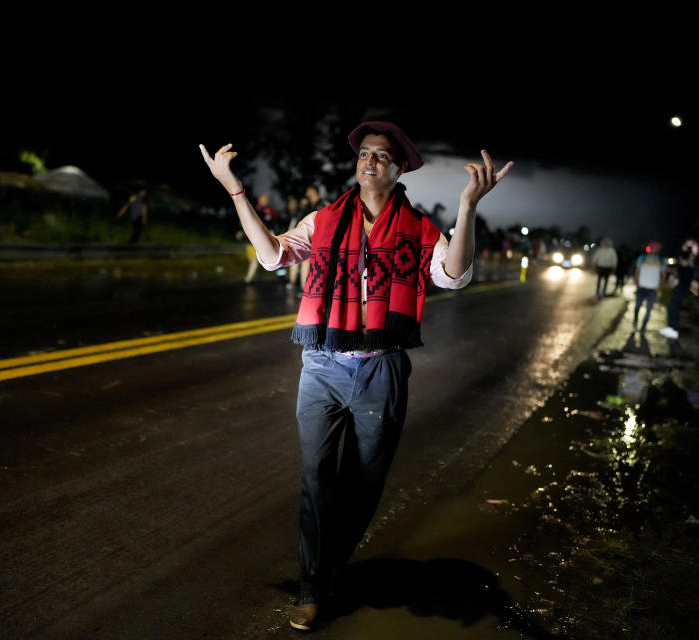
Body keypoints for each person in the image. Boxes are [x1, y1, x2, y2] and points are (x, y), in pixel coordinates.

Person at [200, 121, 512, 631]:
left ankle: (329, 565)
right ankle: (312, 586)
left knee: (363, 487)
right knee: (316, 479)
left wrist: (468, 207)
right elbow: (275, 255)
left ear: (400, 168)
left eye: (382, 156)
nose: (370, 161)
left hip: (383, 369)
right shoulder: (323, 220)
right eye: (364, 153)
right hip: (322, 365)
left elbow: (452, 275)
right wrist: (234, 188)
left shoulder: (417, 229)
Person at [659, 250, 696, 340]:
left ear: (682, 259)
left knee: (672, 309)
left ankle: (673, 329)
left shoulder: (682, 269)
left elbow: (675, 281)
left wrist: (672, 281)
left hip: (678, 291)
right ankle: (672, 329)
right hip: (683, 292)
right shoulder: (690, 269)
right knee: (673, 308)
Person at [632, 243, 664, 332]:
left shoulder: (661, 260)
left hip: (652, 289)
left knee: (649, 309)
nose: (654, 249)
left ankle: (643, 327)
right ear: (650, 248)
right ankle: (635, 322)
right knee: (637, 307)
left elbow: (663, 275)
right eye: (653, 247)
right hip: (642, 287)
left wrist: (659, 285)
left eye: (656, 248)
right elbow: (637, 271)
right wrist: (636, 283)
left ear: (658, 250)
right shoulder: (642, 258)